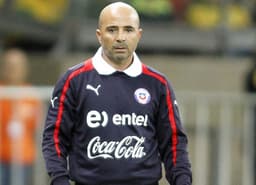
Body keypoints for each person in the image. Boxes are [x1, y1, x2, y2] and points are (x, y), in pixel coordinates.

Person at [42, 2, 192, 185]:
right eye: (112, 30)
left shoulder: (158, 84)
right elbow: (54, 138)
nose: (120, 37)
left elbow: (174, 143)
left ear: (139, 34)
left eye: (128, 30)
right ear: (99, 35)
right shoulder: (73, 80)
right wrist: (59, 181)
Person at [0, 48, 42, 185]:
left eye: (16, 66)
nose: (12, 70)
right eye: (9, 66)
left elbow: (39, 129)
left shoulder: (32, 96)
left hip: (24, 158)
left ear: (25, 69)